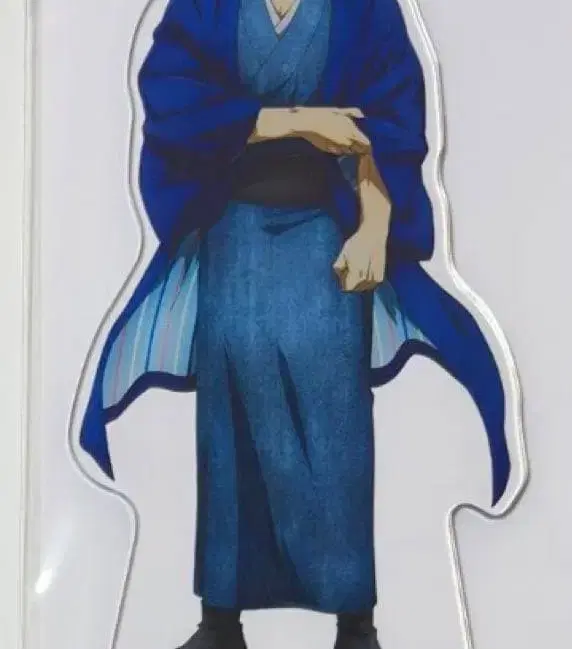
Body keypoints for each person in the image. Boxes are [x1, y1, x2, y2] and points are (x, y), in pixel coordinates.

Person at [78, 0, 511, 646]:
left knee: (336, 423)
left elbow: (392, 121)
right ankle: (220, 621)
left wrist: (375, 225)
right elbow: (170, 97)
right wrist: (290, 121)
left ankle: (354, 623)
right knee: (228, 425)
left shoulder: (366, 7)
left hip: (328, 238)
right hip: (234, 238)